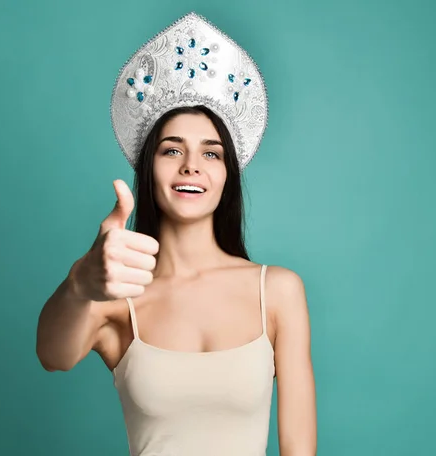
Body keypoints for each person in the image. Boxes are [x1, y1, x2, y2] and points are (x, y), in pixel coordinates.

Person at [36, 12, 316, 456]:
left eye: (212, 153)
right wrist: (79, 283)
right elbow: (54, 356)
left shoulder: (277, 291)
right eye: (172, 150)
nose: (192, 166)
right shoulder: (117, 296)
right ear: (148, 168)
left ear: (228, 175)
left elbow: (299, 447)